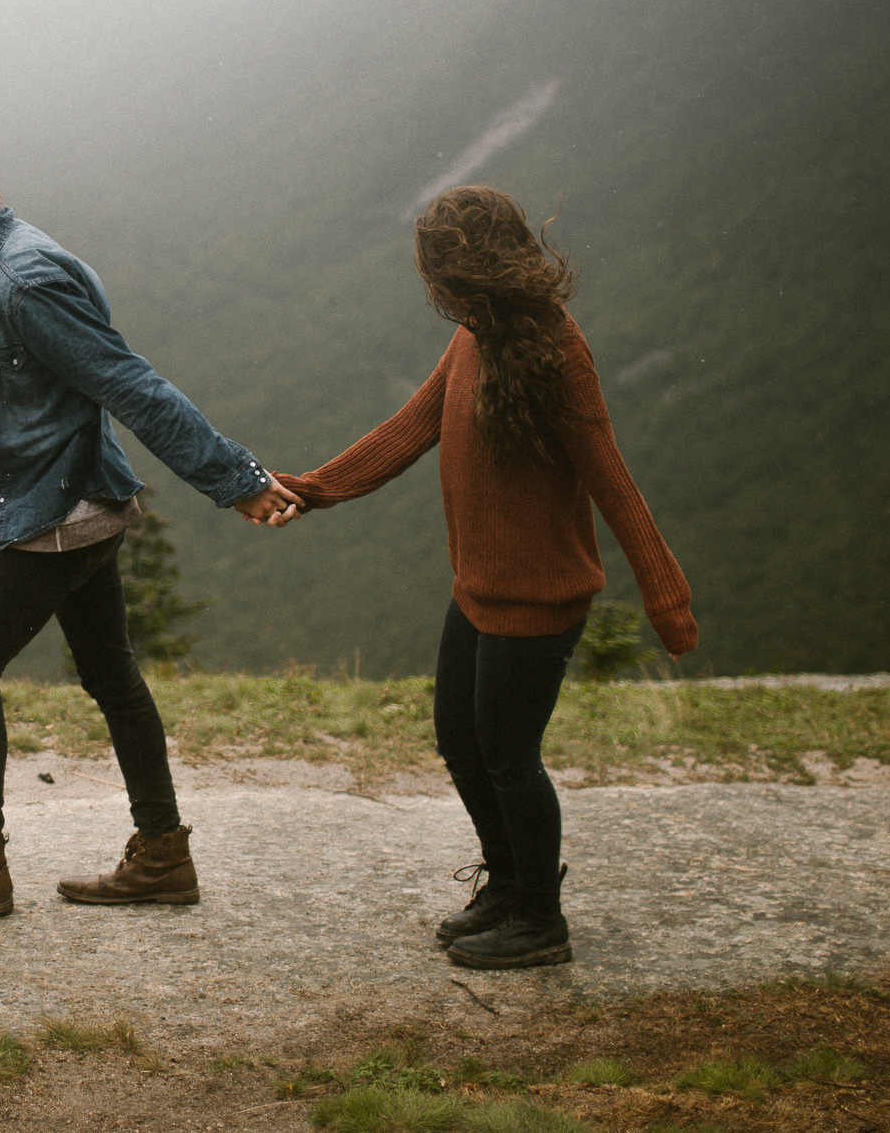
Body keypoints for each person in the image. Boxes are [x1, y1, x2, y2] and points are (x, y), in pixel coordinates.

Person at [0, 144, 301, 923]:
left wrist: (238, 482)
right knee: (111, 674)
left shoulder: (23, 281)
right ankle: (162, 855)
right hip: (70, 501)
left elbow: (130, 384)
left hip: (64, 518)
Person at [275, 186, 696, 970]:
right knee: (460, 744)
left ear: (461, 271)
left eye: (436, 270)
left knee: (508, 755)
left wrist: (666, 596)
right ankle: (507, 885)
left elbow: (608, 472)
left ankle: (541, 917)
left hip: (539, 600)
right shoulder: (475, 336)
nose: (432, 287)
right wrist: (314, 489)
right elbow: (413, 427)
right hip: (477, 589)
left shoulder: (555, 349)